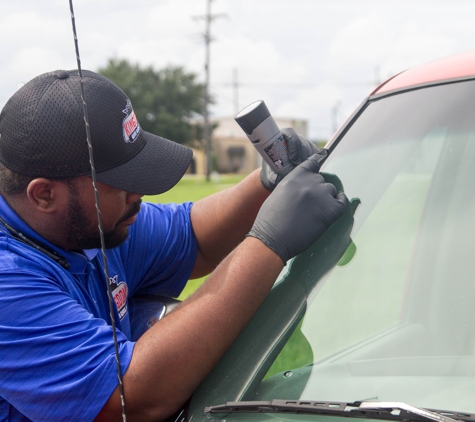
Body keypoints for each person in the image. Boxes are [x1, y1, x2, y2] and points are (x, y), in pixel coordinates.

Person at [0, 69, 347, 421]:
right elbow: (131, 398)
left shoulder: (93, 227)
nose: (139, 194)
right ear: (44, 194)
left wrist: (265, 184)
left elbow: (193, 237)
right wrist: (269, 243)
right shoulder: (7, 282)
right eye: (120, 182)